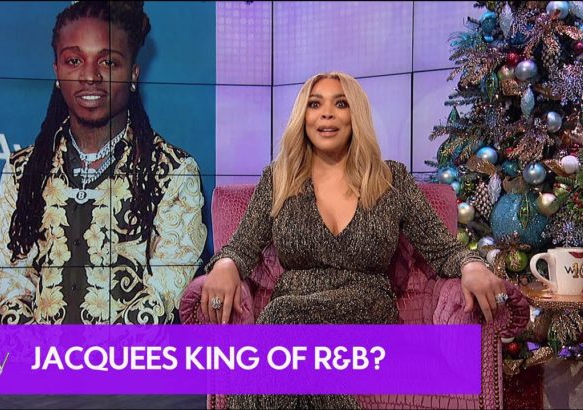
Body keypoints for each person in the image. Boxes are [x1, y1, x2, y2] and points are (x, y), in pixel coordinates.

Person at [201, 72, 507, 408]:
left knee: (279, 326)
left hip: (365, 311)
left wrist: (473, 266)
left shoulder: (390, 179)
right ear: (303, 117)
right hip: (294, 310)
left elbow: (443, 249)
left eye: (340, 104)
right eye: (315, 104)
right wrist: (225, 265)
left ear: (355, 115)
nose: (326, 114)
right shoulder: (279, 179)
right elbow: (242, 246)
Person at [0, 1, 206, 325]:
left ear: (133, 74)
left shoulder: (173, 172)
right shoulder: (23, 171)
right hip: (38, 353)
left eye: (108, 62)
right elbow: (10, 283)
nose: (90, 76)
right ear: (57, 72)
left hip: (132, 355)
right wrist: (41, 352)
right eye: (74, 61)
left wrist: (97, 354)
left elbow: (163, 296)